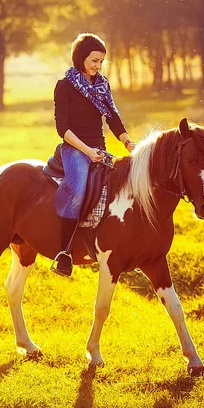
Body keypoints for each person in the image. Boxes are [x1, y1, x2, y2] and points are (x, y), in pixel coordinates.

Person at [52, 32, 136, 277]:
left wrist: (129, 143)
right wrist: (87, 151)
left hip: (99, 148)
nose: (97, 66)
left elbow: (112, 117)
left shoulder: (101, 85)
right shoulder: (65, 86)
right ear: (81, 57)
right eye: (93, 60)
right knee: (77, 191)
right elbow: (62, 128)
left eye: (100, 62)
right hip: (75, 149)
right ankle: (64, 253)